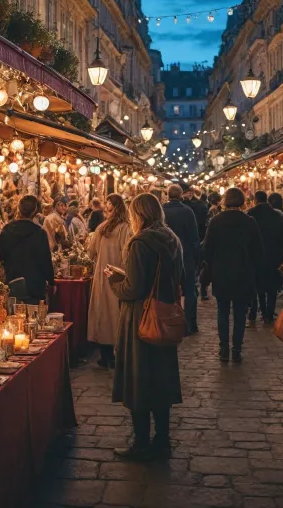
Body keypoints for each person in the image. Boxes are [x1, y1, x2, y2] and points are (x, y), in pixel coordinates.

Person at [106, 193, 183, 461]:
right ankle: (162, 439)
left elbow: (134, 288)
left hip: (141, 318)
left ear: (138, 215)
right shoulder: (171, 239)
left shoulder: (140, 243)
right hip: (164, 314)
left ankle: (141, 443)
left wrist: (115, 282)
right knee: (160, 380)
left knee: (138, 378)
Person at [202, 187, 263, 362]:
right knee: (240, 312)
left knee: (222, 310)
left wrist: (210, 267)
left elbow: (207, 249)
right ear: (242, 201)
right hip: (243, 272)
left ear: (225, 201)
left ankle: (223, 347)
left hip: (221, 272)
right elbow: (258, 251)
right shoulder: (249, 222)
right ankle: (236, 348)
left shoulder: (216, 221)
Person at [87, 194, 131, 368]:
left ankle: (106, 355)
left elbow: (91, 252)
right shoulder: (126, 228)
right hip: (120, 275)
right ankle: (119, 353)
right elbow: (128, 254)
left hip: (103, 275)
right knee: (117, 313)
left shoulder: (102, 228)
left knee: (103, 312)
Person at [0, 195, 55, 304]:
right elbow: (45, 260)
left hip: (13, 283)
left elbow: (1, 255)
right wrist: (51, 282)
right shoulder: (39, 233)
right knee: (35, 313)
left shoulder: (7, 230)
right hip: (35, 285)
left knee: (14, 313)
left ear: (19, 209)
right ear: (35, 211)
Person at [163, 184, 201, 334]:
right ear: (181, 196)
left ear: (167, 195)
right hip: (186, 256)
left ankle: (169, 322)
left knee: (168, 289)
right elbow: (194, 236)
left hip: (166, 256)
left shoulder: (162, 210)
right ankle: (190, 324)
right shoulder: (187, 211)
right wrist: (196, 257)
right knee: (190, 290)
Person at [247, 191, 283, 325]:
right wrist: (281, 252)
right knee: (272, 286)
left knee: (257, 284)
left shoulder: (250, 214)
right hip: (273, 255)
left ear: (255, 200)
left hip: (255, 255)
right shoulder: (277, 215)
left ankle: (256, 312)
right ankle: (269, 314)